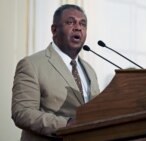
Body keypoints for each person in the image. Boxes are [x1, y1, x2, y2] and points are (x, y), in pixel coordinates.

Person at [11, 4, 100, 141]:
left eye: (83, 24)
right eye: (70, 22)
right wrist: (67, 124)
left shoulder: (89, 70)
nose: (78, 27)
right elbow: (22, 113)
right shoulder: (32, 65)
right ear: (54, 30)